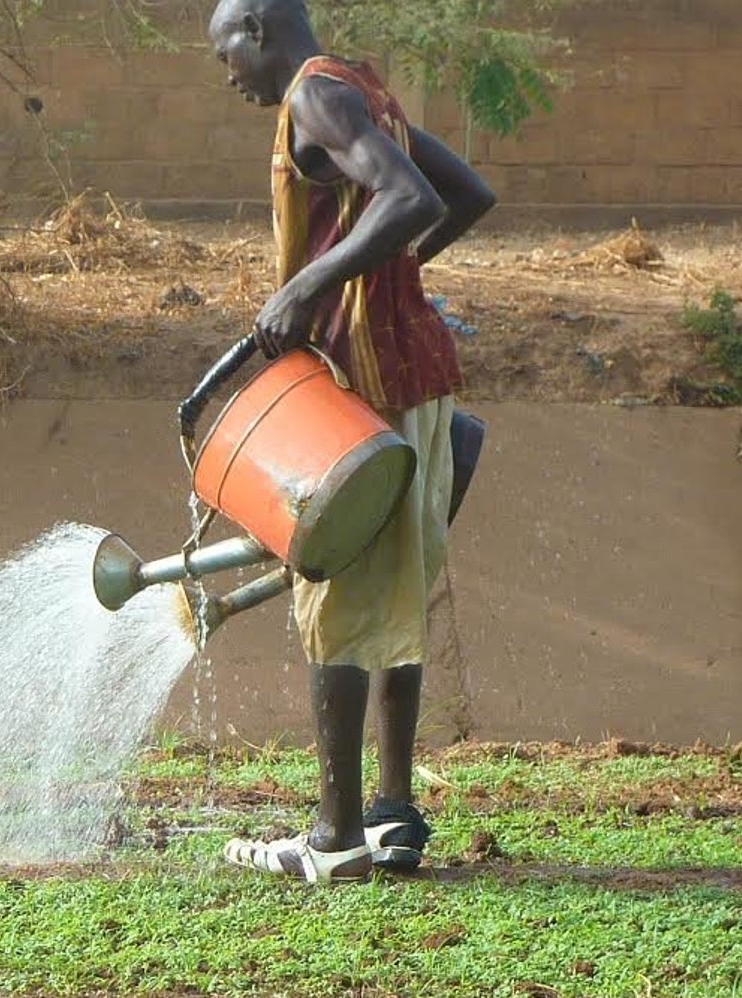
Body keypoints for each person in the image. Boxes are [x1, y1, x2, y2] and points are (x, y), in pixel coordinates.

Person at [205, 0, 497, 882]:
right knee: (398, 585)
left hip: (362, 391)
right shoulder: (365, 87)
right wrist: (381, 282)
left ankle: (334, 839)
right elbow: (466, 195)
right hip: (420, 378)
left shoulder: (315, 97)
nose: (228, 77)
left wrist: (315, 287)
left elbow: (409, 199)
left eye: (227, 54)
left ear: (257, 27)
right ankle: (395, 815)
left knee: (329, 590)